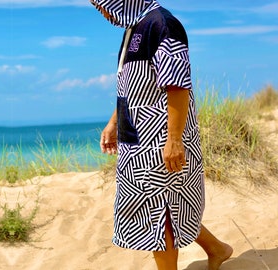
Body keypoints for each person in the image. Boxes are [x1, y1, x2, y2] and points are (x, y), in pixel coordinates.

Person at [90, 0, 233, 269]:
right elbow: (133, 87)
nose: (102, 12)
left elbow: (178, 84)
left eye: (102, 4)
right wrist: (114, 123)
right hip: (137, 139)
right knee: (158, 205)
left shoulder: (162, 25)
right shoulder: (134, 28)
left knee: (158, 211)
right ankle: (217, 249)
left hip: (160, 138)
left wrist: (174, 140)